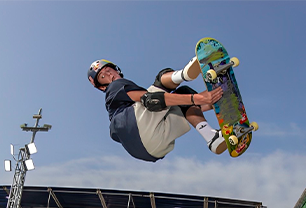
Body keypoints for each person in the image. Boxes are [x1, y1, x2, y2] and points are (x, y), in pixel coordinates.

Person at [87, 57, 227, 162]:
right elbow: (151, 100)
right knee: (161, 84)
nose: (109, 75)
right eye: (103, 76)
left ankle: (212, 137)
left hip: (150, 151)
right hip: (136, 125)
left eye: (109, 70)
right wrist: (197, 98)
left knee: (182, 100)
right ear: (102, 87)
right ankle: (184, 74)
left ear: (116, 69)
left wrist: (211, 98)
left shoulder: (115, 107)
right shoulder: (114, 87)